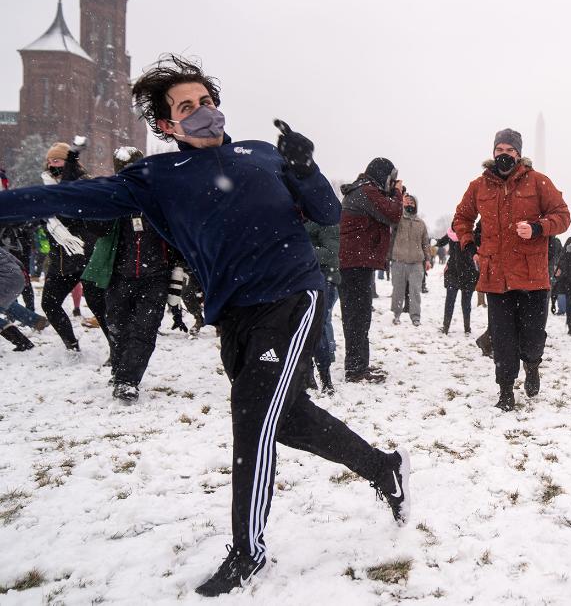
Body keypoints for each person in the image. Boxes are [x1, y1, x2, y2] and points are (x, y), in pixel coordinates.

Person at [0, 55, 410, 596]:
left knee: (251, 417)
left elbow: (328, 213)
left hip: (291, 295)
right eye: (186, 108)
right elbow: (69, 194)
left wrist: (305, 167)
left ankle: (248, 552)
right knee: (282, 420)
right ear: (167, 126)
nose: (203, 114)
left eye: (207, 102)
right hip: (233, 312)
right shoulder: (156, 177)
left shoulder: (261, 154)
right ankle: (383, 467)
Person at [452, 128, 570, 411]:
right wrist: (470, 248)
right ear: (493, 152)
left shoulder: (539, 182)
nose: (504, 155)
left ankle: (531, 365)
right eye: (500, 150)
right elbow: (462, 218)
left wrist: (538, 228)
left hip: (532, 277)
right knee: (503, 339)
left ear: (519, 154)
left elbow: (563, 216)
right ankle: (505, 390)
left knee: (531, 337)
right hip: (496, 277)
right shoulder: (479, 186)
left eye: (510, 150)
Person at [82, 146, 179, 403]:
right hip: (118, 274)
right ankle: (120, 371)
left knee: (144, 329)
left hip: (155, 275)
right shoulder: (112, 198)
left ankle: (128, 381)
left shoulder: (159, 199)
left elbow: (179, 233)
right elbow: (96, 230)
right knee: (118, 326)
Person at [39, 141, 111, 352]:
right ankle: (71, 346)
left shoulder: (83, 181)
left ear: (69, 162)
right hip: (61, 258)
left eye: (58, 160)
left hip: (88, 253)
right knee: (49, 304)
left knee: (99, 306)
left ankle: (117, 349)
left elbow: (87, 213)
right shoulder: (47, 186)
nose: (53, 164)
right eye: (50, 160)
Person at [338, 158, 403, 384]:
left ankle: (357, 365)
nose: (392, 182)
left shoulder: (364, 190)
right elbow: (393, 214)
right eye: (391, 178)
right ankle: (356, 369)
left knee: (358, 315)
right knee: (358, 316)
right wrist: (397, 193)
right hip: (354, 264)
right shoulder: (366, 191)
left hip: (355, 263)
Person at [305, 217, 340, 395]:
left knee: (318, 325)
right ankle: (308, 375)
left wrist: (301, 250)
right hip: (301, 278)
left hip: (324, 279)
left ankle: (325, 378)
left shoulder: (326, 220)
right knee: (301, 327)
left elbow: (331, 253)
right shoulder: (294, 218)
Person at [390, 193, 431, 326]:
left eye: (412, 203)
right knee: (398, 291)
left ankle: (415, 317)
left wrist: (428, 260)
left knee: (415, 291)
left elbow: (426, 243)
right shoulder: (397, 220)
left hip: (416, 263)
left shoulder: (421, 223)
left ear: (416, 206)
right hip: (398, 261)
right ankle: (396, 315)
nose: (409, 205)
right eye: (407, 203)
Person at [442, 227, 478, 334]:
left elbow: (477, 250)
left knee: (465, 302)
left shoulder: (471, 236)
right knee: (451, 300)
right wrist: (429, 242)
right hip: (454, 272)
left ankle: (467, 327)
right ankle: (446, 327)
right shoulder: (450, 234)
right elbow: (439, 242)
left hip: (468, 273)